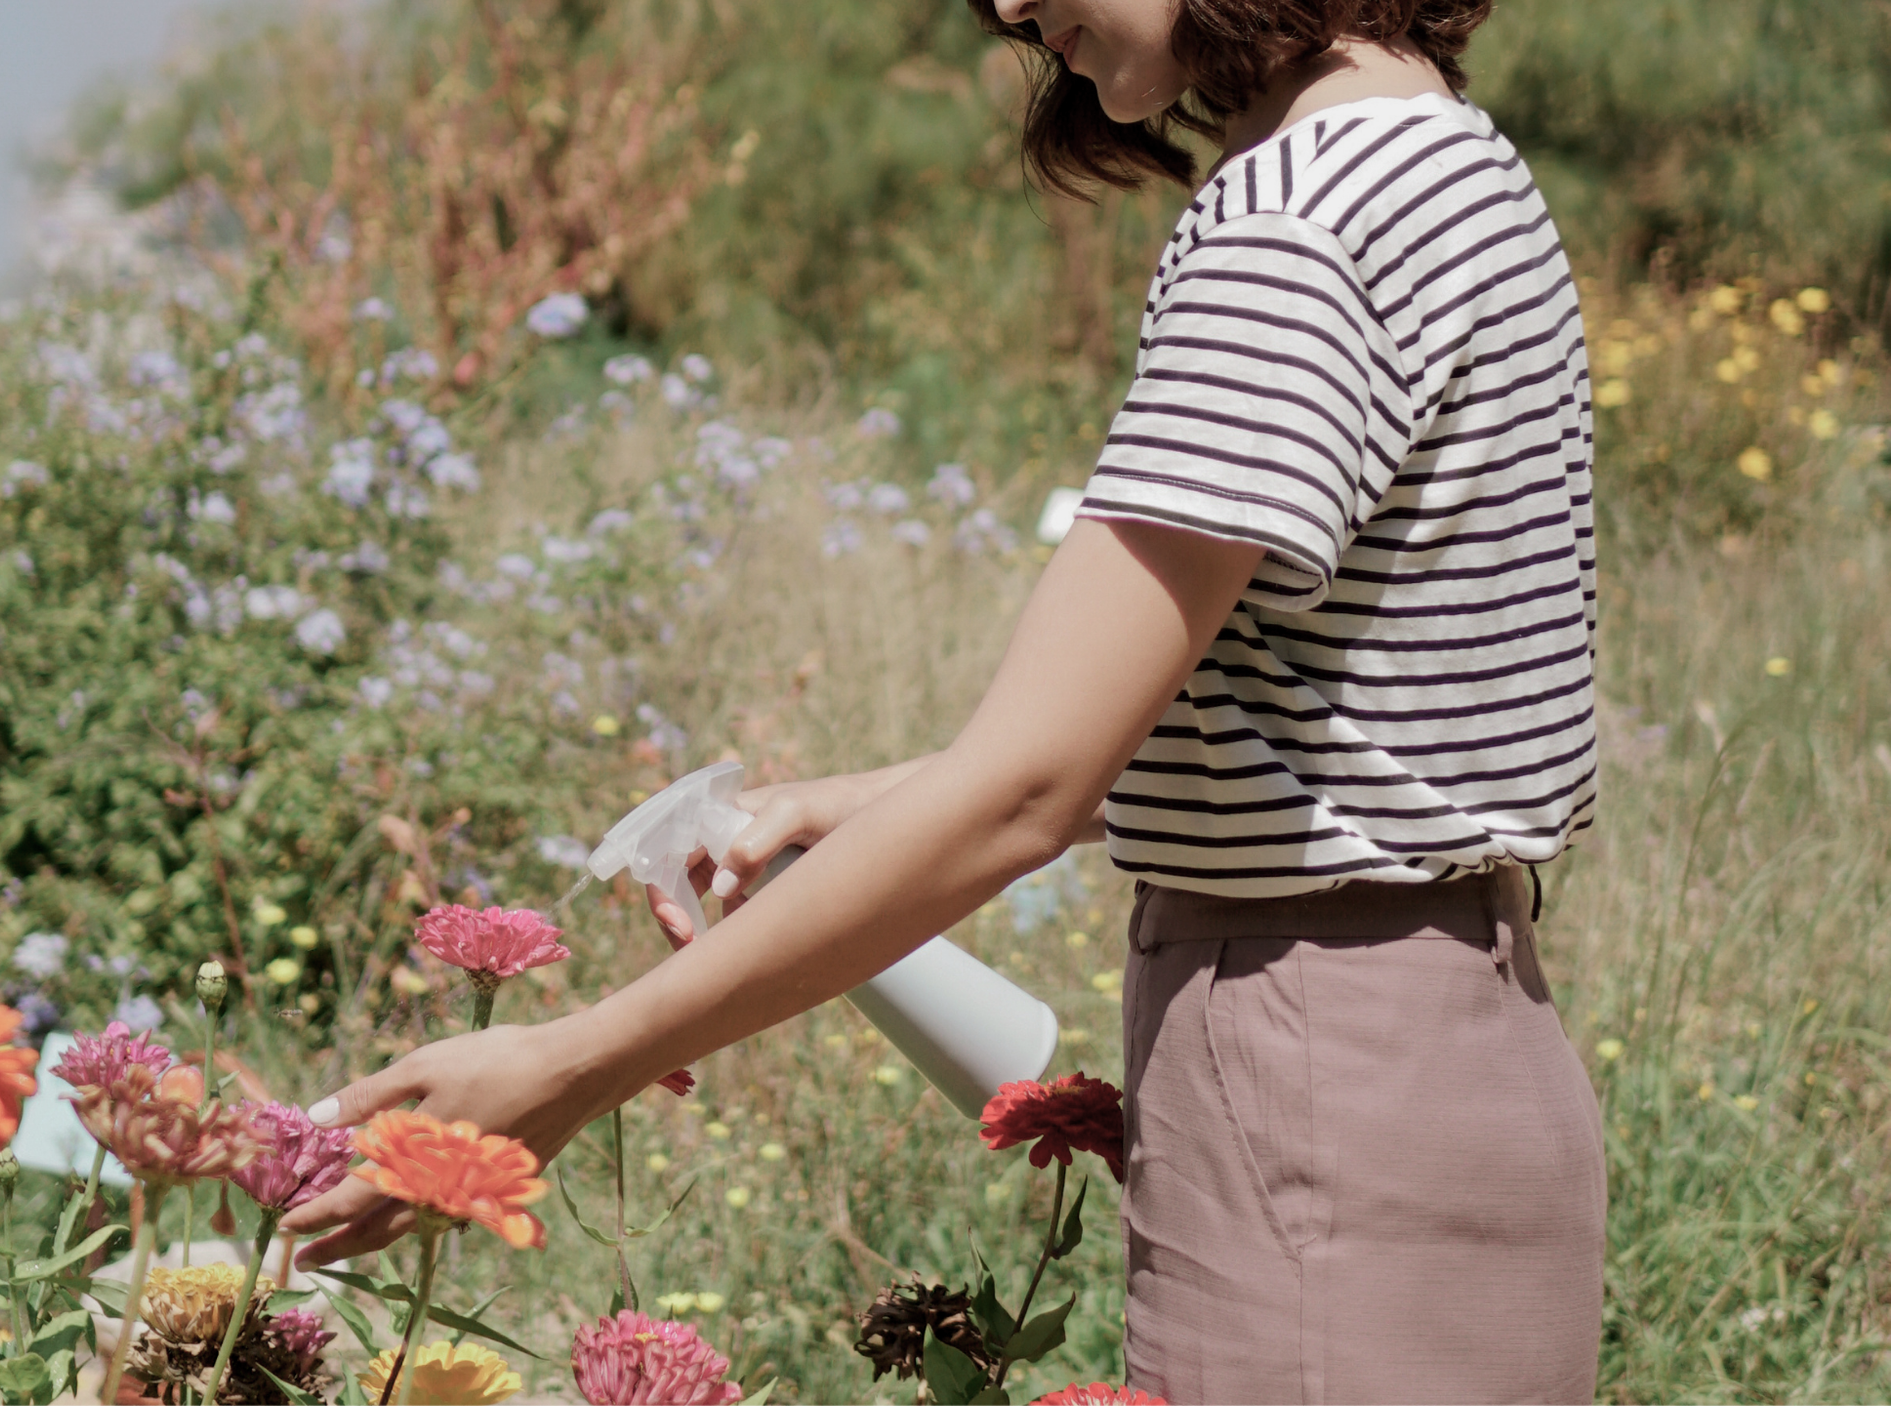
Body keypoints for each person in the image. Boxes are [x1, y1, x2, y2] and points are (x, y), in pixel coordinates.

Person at [285, 0, 1607, 1398]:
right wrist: (845, 807)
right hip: (1469, 1048)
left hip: (1317, 1081)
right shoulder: (1453, 165)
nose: (1012, 6)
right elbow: (1313, 716)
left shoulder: (1290, 231)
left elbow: (1029, 789)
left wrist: (566, 1066)